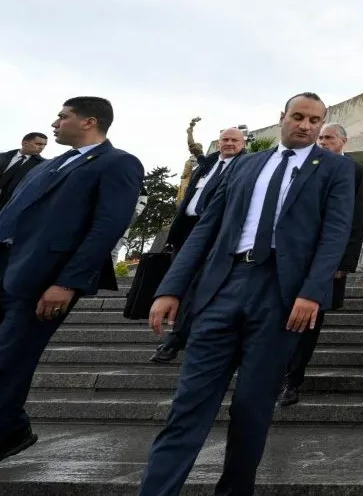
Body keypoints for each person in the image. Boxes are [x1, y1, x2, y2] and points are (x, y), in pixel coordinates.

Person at [137, 93, 355, 496]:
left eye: (314, 120)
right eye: (298, 117)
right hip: (224, 287)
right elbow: (206, 228)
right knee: (188, 406)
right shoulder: (245, 165)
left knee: (252, 409)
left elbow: (335, 233)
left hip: (281, 295)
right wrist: (171, 287)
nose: (305, 126)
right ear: (282, 118)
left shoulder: (336, 170)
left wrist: (312, 291)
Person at [0, 97, 143, 463]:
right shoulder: (50, 165)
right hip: (7, 264)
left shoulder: (118, 163)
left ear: (88, 121)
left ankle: (7, 431)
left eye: (63, 117)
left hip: (43, 276)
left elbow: (107, 226)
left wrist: (68, 282)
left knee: (10, 355)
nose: (54, 123)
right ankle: (11, 426)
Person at [279, 122, 363, 405]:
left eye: (328, 138)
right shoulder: (303, 164)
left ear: (343, 141)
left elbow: (356, 219)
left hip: (327, 260)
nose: (322, 142)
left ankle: (293, 380)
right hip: (292, 257)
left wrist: (345, 261)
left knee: (310, 321)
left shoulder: (356, 172)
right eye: (320, 138)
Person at [150, 127, 247, 364]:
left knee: (197, 285)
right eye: (225, 139)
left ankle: (176, 339)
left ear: (243, 144)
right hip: (187, 232)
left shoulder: (246, 167)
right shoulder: (207, 164)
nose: (229, 143)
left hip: (216, 234)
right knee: (180, 283)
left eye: (235, 140)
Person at [0, 133, 48, 211]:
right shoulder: (2, 156)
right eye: (38, 144)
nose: (42, 147)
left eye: (44, 145)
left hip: (10, 206)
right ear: (24, 143)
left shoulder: (43, 164)